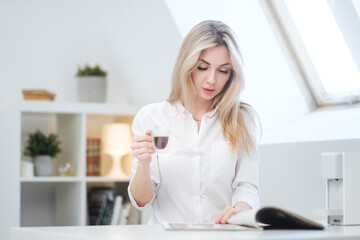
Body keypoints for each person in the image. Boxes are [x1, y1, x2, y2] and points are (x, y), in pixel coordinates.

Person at [128, 20, 260, 224]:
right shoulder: (151, 117)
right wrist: (143, 165)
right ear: (187, 64)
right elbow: (141, 200)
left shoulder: (242, 119)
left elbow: (247, 187)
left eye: (223, 70)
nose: (211, 80)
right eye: (202, 67)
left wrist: (239, 211)